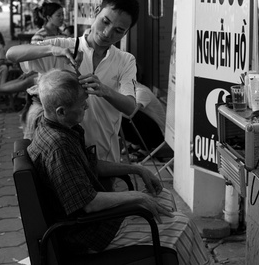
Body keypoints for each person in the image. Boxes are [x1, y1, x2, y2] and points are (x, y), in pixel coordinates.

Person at [28, 69, 211, 264]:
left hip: (91, 222)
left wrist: (137, 169)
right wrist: (136, 196)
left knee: (162, 197)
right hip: (89, 234)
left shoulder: (56, 127)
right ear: (61, 112)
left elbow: (92, 165)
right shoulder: (59, 147)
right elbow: (89, 204)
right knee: (183, 226)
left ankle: (169, 257)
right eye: (82, 105)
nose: (87, 107)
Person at [7, 0, 139, 163]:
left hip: (105, 158)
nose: (107, 33)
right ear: (97, 10)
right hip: (61, 159)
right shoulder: (64, 47)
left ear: (126, 32)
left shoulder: (125, 60)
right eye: (105, 22)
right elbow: (11, 54)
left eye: (118, 30)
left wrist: (104, 90)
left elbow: (130, 108)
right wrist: (53, 50)